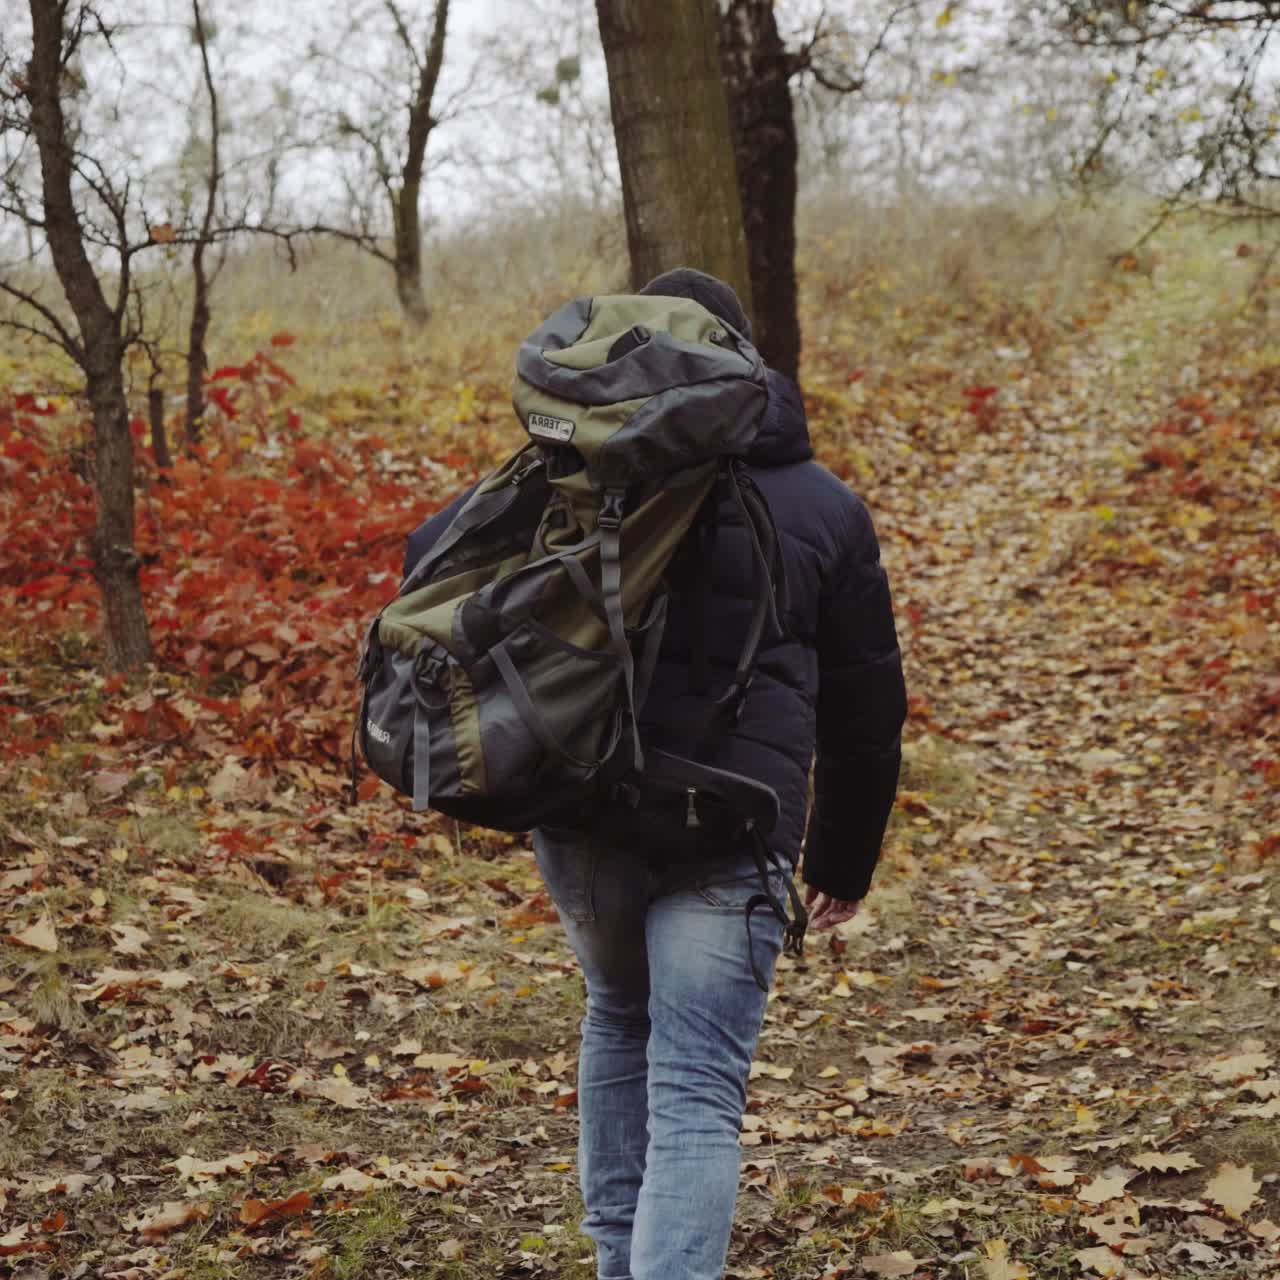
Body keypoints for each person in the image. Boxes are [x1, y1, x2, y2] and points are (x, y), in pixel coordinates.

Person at [404, 269, 906, 1280]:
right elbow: (865, 707)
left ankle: (613, 1261)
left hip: (586, 815)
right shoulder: (823, 506)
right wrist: (842, 861)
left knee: (617, 1016)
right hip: (734, 829)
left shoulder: (571, 479)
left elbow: (428, 558)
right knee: (695, 1088)